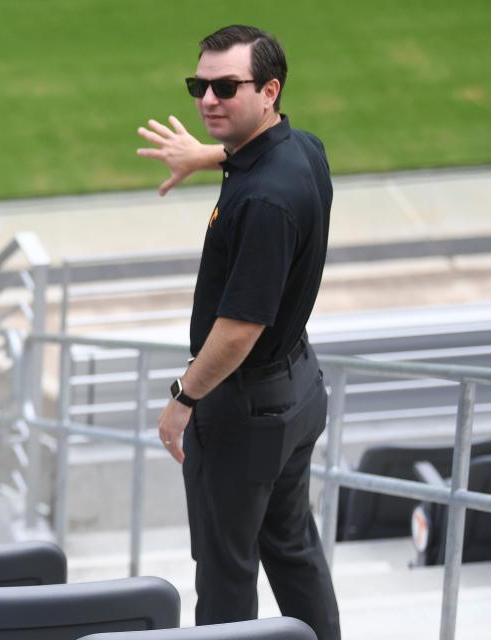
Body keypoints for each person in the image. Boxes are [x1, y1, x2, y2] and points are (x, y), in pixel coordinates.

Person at [136, 25, 341, 640]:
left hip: (244, 405)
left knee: (225, 573)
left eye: (227, 87)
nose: (207, 100)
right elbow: (264, 156)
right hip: (297, 391)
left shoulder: (263, 200)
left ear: (269, 90)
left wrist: (183, 398)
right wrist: (209, 154)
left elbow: (238, 330)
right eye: (199, 85)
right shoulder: (302, 148)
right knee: (292, 545)